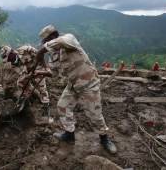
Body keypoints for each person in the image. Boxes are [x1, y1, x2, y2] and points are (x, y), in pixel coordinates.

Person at [36, 25, 117, 154]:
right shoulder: (55, 55)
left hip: (89, 83)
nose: (45, 44)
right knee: (62, 106)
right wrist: (42, 70)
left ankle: (104, 139)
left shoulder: (68, 39)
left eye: (46, 41)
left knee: (94, 115)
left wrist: (41, 52)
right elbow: (55, 72)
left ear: (52, 37)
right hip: (73, 85)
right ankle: (69, 134)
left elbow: (60, 42)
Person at [16, 45, 52, 116]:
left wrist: (45, 69)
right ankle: (26, 98)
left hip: (38, 68)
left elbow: (42, 59)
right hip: (28, 69)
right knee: (20, 82)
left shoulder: (34, 52)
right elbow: (24, 64)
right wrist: (27, 75)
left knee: (42, 89)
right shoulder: (20, 55)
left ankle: (46, 109)